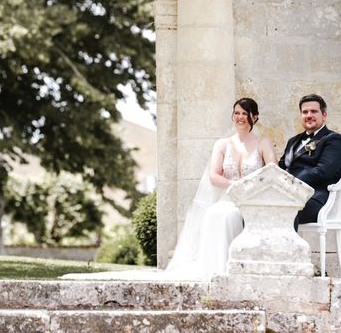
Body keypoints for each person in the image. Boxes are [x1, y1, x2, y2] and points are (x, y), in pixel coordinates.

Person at [62, 97, 275, 281]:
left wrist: (250, 188)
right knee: (215, 214)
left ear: (254, 117)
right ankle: (216, 269)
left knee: (229, 217)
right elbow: (214, 176)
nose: (239, 117)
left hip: (252, 199)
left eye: (244, 113)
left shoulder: (262, 142)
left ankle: (238, 269)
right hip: (228, 199)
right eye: (236, 113)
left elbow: (272, 172)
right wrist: (235, 185)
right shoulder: (222, 144)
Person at [279, 94, 341, 229]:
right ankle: (262, 250)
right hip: (288, 194)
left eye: (314, 111)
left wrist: (289, 183)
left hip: (315, 198)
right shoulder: (293, 141)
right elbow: (281, 167)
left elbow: (323, 172)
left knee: (284, 210)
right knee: (257, 208)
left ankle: (289, 250)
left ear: (324, 115)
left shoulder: (334, 140)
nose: (309, 115)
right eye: (305, 112)